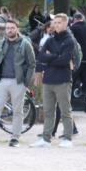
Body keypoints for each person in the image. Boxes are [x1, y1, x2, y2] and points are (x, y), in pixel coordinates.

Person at [0, 18, 35, 147]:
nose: (9, 30)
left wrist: (26, 83)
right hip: (1, 80)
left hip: (18, 82)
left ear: (17, 29)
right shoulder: (2, 43)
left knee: (18, 111)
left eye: (12, 28)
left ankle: (15, 138)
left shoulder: (25, 44)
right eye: (7, 28)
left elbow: (32, 64)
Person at [31, 13, 77, 148]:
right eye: (54, 22)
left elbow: (64, 61)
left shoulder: (69, 40)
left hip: (63, 80)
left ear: (66, 23)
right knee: (48, 111)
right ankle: (46, 138)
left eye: (59, 22)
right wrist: (55, 56)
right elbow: (40, 56)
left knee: (65, 110)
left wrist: (50, 57)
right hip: (48, 79)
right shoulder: (50, 40)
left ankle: (68, 138)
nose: (56, 25)